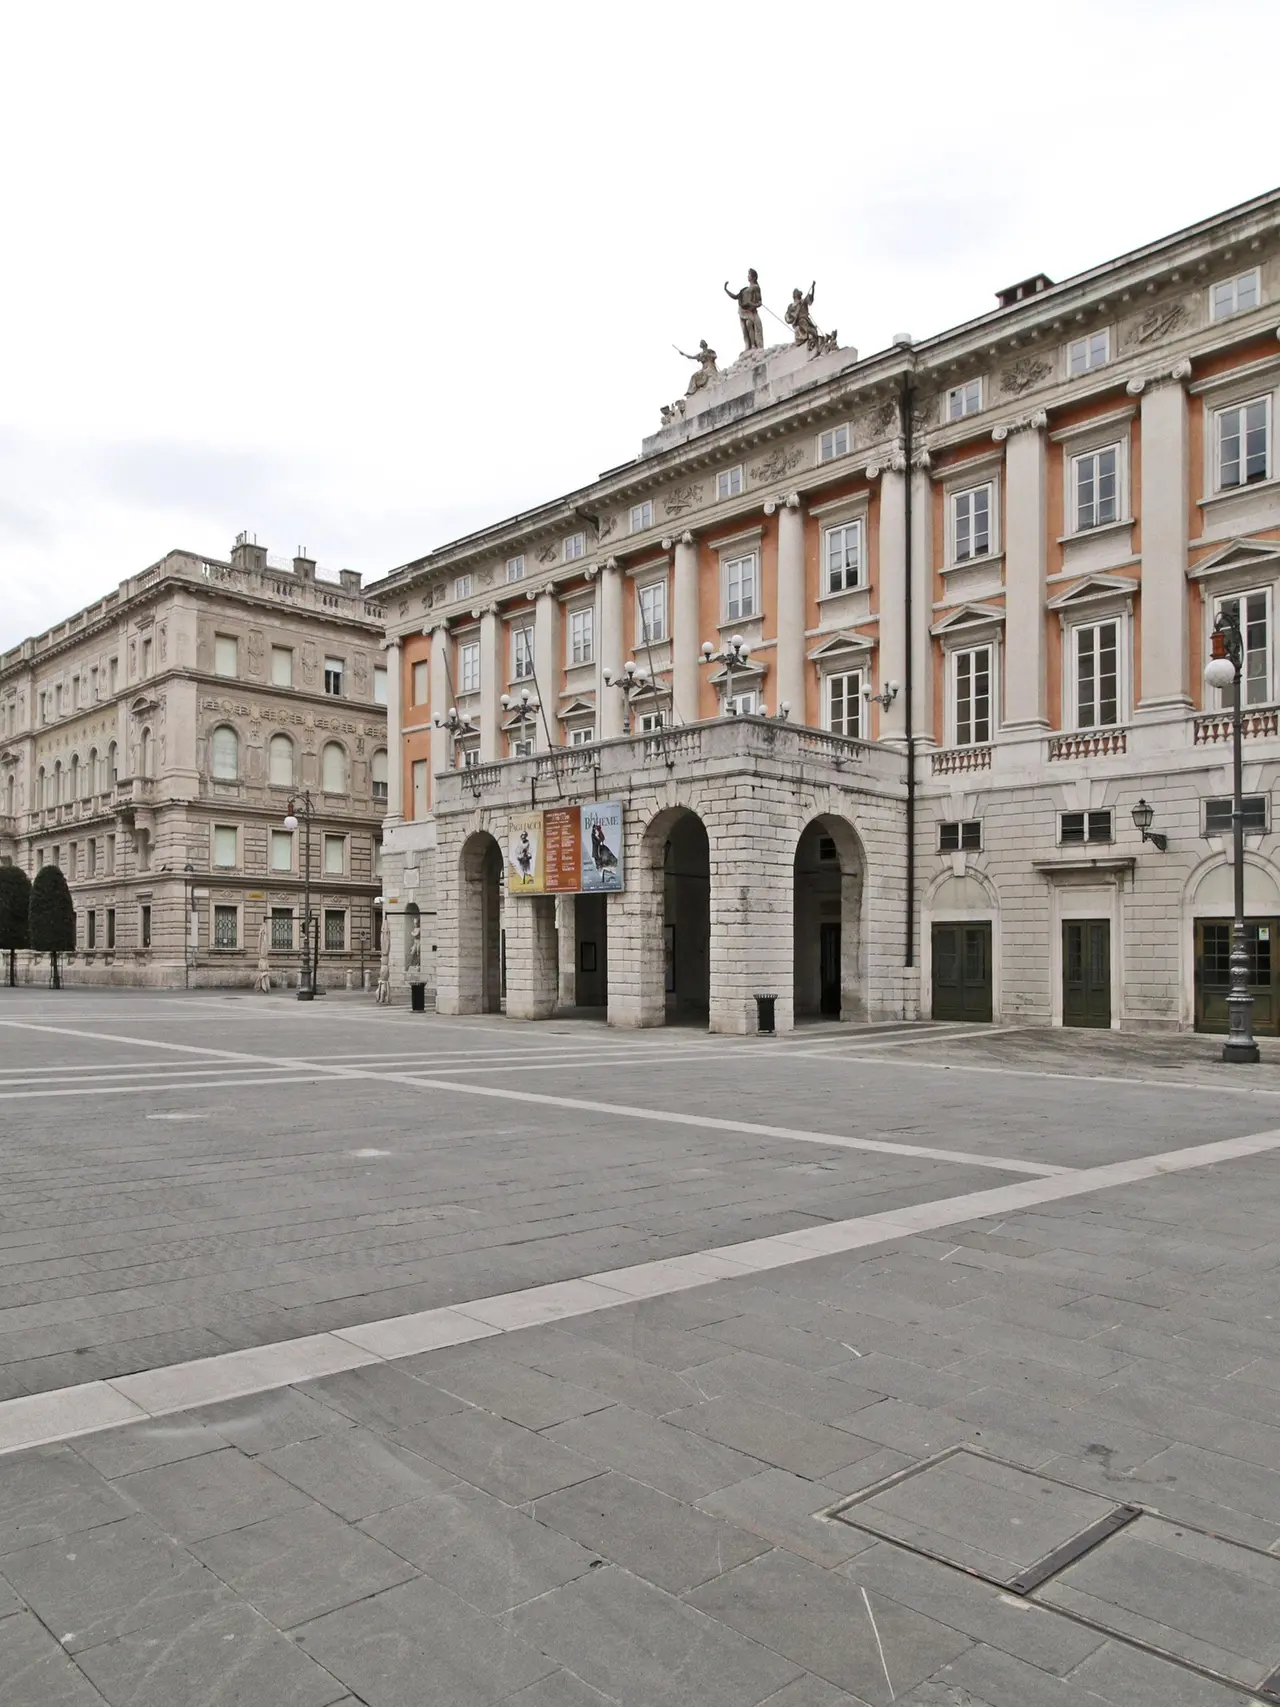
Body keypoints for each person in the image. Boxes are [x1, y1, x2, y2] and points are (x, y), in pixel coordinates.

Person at [724, 270, 764, 351]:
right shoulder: (744, 290)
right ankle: (749, 346)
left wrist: (753, 304)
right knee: (745, 328)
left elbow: (759, 302)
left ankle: (754, 345)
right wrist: (726, 289)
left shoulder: (756, 287)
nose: (748, 276)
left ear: (754, 277)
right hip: (743, 311)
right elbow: (735, 297)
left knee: (749, 324)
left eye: (749, 274)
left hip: (751, 311)